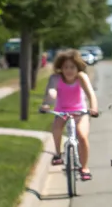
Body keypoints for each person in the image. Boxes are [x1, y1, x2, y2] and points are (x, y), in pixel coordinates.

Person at [41, 49, 99, 181]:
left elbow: (91, 94)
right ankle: (58, 154)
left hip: (80, 112)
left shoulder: (81, 77)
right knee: (56, 128)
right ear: (60, 67)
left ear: (77, 67)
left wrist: (93, 108)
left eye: (72, 67)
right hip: (62, 111)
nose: (69, 70)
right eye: (65, 67)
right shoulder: (55, 78)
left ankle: (84, 168)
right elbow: (51, 91)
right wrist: (48, 102)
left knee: (82, 136)